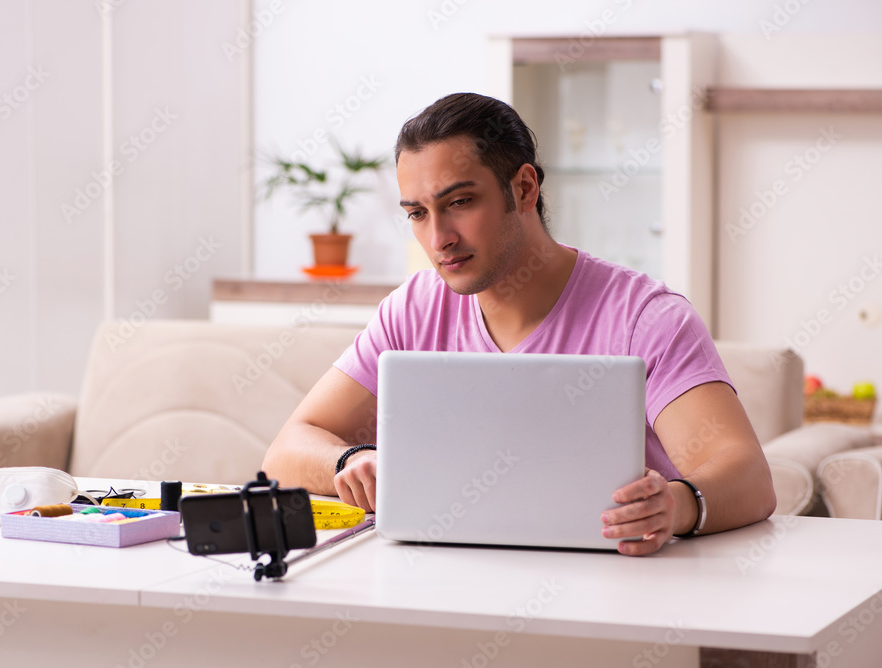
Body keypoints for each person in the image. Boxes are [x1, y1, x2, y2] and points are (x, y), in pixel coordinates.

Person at [262, 92, 776, 556]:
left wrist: (677, 505)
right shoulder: (413, 310)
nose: (439, 239)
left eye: (459, 202)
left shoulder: (646, 318)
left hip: (617, 589)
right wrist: (350, 461)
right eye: (417, 213)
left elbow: (750, 477)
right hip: (445, 586)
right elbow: (286, 451)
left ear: (524, 188)